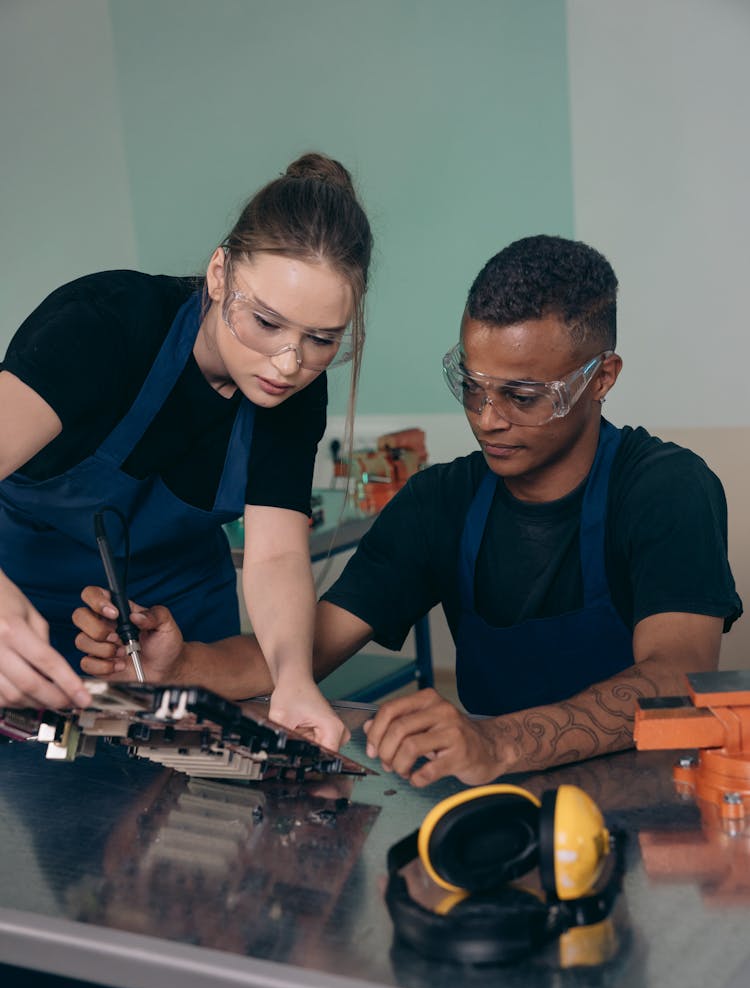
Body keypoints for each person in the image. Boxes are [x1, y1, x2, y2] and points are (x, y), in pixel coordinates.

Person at [73, 235, 742, 785]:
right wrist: (180, 663)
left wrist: (495, 741)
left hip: (655, 806)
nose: (487, 419)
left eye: (522, 396)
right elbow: (296, 655)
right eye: (471, 387)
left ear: (601, 378)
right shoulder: (439, 502)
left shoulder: (665, 489)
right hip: (495, 805)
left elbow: (675, 675)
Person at [0, 153, 372, 750]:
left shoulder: (297, 384)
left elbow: (275, 556)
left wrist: (294, 680)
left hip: (178, 609)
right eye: (266, 323)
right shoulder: (105, 325)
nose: (289, 364)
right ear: (220, 273)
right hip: (23, 592)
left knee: (186, 809)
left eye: (322, 339)